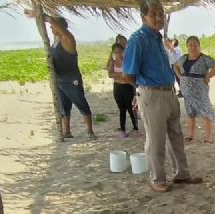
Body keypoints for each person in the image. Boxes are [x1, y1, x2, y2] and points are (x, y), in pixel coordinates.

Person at [123, 0, 202, 193]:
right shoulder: (138, 39)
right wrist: (142, 90)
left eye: (161, 14)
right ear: (143, 17)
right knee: (156, 139)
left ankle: (181, 174)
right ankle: (157, 178)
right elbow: (128, 74)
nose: (159, 18)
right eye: (154, 14)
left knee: (176, 135)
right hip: (152, 94)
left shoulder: (158, 37)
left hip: (169, 92)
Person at [26, 11, 95, 140]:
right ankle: (66, 131)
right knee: (64, 106)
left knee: (81, 103)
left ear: (60, 27)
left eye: (53, 26)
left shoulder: (68, 39)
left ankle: (90, 131)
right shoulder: (55, 42)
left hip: (71, 79)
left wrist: (44, 17)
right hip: (60, 79)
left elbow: (57, 27)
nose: (51, 28)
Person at [176, 36, 215, 144]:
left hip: (200, 91)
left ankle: (209, 137)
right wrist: (180, 76)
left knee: (205, 112)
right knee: (190, 113)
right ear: (187, 47)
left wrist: (208, 76)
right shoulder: (183, 58)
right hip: (186, 91)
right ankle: (191, 135)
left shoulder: (204, 58)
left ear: (199, 46)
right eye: (190, 45)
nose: (193, 47)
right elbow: (175, 66)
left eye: (195, 44)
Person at [107, 43, 140, 139]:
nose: (119, 54)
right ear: (113, 53)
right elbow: (110, 74)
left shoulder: (127, 62)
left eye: (120, 52)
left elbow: (129, 74)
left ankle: (136, 128)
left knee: (131, 108)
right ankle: (122, 130)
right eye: (116, 52)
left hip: (128, 87)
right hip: (118, 88)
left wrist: (119, 75)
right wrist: (121, 75)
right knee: (122, 109)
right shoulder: (112, 63)